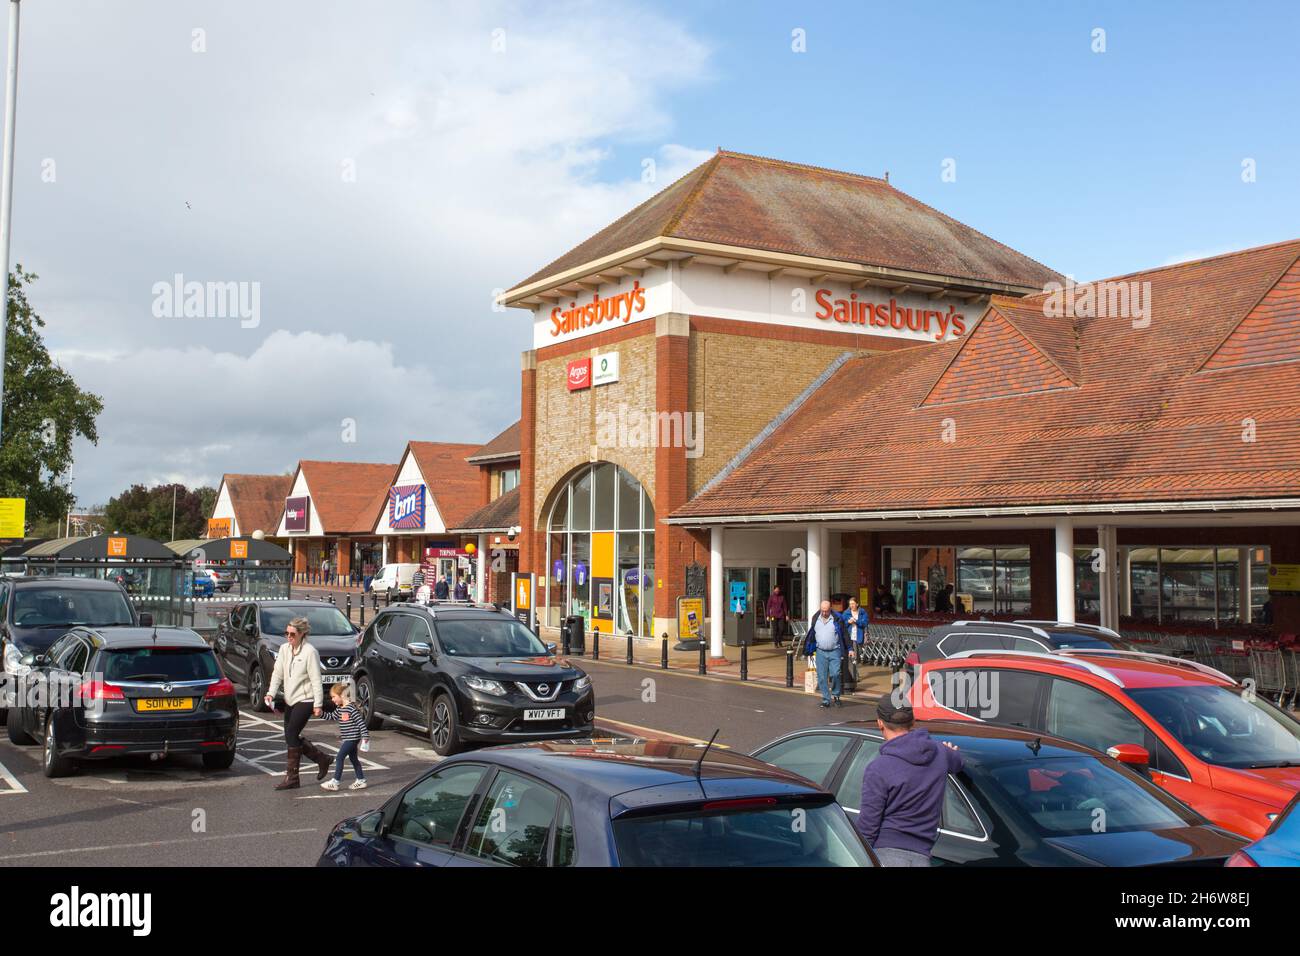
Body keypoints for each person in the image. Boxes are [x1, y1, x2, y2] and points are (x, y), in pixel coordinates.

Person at [856, 692, 963, 866]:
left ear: (880, 723)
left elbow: (868, 828)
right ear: (913, 722)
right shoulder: (940, 753)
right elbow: (958, 762)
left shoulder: (878, 768)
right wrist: (951, 751)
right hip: (922, 858)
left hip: (885, 855)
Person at [265, 616, 331, 791]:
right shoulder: (284, 649)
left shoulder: (310, 652)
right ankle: (322, 758)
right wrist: (271, 693)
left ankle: (292, 777)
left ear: (302, 634)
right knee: (289, 736)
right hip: (290, 699)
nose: (288, 637)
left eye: (292, 634)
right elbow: (277, 673)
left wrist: (318, 704)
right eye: (286, 633)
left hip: (306, 699)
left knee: (292, 733)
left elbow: (317, 680)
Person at [318, 682, 369, 791]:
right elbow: (331, 716)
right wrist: (321, 713)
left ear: (342, 696)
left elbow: (361, 723)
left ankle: (335, 782)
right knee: (353, 759)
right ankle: (361, 780)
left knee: (340, 757)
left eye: (333, 697)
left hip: (352, 738)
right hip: (348, 738)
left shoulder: (351, 709)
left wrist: (365, 737)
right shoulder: (340, 709)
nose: (332, 699)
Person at [804, 599, 850, 708]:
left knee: (835, 674)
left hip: (835, 651)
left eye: (826, 611)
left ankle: (836, 695)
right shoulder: (815, 618)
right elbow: (812, 635)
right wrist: (809, 650)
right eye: (822, 611)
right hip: (820, 652)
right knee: (822, 677)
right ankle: (826, 699)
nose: (824, 613)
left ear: (830, 609)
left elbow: (844, 634)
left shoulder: (837, 618)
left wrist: (850, 648)